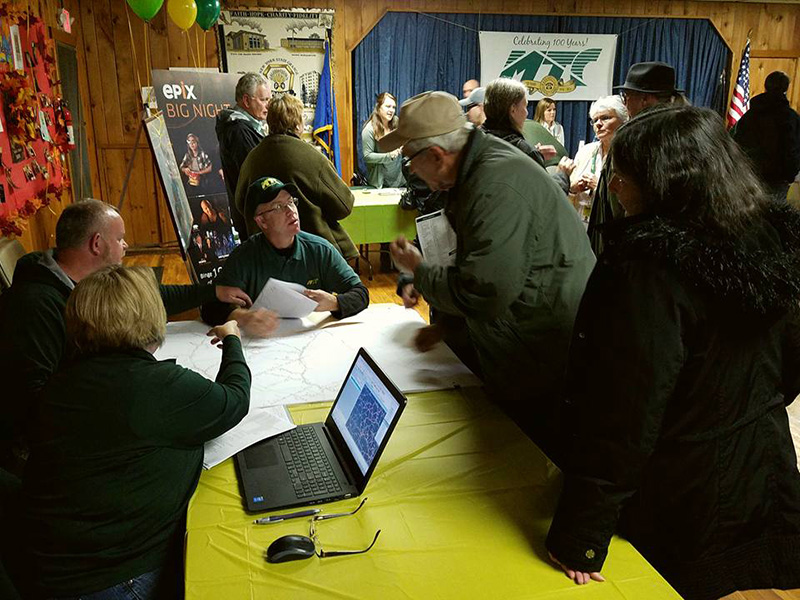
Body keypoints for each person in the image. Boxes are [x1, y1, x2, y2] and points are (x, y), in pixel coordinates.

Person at [546, 106, 800, 600]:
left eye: (625, 173)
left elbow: (624, 409)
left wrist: (582, 533)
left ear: (668, 180)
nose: (612, 183)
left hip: (684, 483)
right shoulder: (769, 238)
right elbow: (791, 363)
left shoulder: (649, 268)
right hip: (760, 463)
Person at [384, 91, 595, 461]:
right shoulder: (476, 170)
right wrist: (447, 328)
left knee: (531, 463)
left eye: (409, 162)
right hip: (525, 338)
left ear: (436, 155)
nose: (410, 171)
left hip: (542, 351)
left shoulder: (494, 182)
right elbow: (480, 264)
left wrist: (420, 270)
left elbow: (486, 291)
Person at [22, 265, 251, 598]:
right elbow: (235, 400)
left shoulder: (64, 380)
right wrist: (232, 340)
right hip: (114, 578)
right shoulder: (155, 386)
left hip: (53, 564)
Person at [0, 199, 251, 476]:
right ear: (96, 244)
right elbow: (32, 405)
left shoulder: (81, 281)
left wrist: (212, 291)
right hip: (53, 457)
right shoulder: (34, 305)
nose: (126, 245)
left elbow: (147, 299)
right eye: (119, 238)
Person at [204, 177, 369, 328]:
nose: (291, 211)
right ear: (261, 221)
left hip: (309, 341)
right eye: (278, 207)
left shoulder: (319, 250)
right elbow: (209, 306)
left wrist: (335, 302)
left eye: (291, 202)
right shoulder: (244, 257)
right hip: (259, 346)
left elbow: (361, 294)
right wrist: (241, 316)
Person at [235, 94, 357, 260]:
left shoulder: (252, 159)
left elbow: (241, 204)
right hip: (317, 253)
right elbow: (344, 205)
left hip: (267, 252)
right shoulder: (312, 157)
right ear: (298, 123)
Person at [587, 61, 689, 255]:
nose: (625, 103)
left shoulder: (635, 138)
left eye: (627, 97)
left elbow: (618, 203)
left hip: (634, 246)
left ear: (645, 100)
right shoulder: (687, 133)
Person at [482, 78, 570, 194]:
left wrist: (534, 155)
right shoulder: (523, 150)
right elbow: (546, 198)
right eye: (525, 107)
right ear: (513, 110)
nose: (527, 113)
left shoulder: (474, 141)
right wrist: (562, 174)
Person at [216, 72, 272, 242]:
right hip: (253, 216)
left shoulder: (248, 126)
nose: (268, 106)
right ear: (246, 101)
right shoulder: (239, 131)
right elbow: (254, 176)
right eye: (263, 100)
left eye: (269, 99)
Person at [733, 70, 800, 201]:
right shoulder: (790, 118)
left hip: (750, 175)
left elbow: (737, 142)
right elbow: (793, 149)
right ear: (785, 88)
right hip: (777, 179)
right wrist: (791, 173)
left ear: (766, 86)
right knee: (773, 215)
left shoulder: (749, 116)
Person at [568, 95, 628, 222]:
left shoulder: (628, 155)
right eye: (595, 120)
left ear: (623, 120)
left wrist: (599, 187)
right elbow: (569, 198)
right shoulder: (585, 152)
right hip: (581, 226)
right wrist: (572, 189)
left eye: (605, 118)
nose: (598, 124)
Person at [361, 92, 405, 188]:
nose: (391, 110)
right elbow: (367, 156)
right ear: (378, 107)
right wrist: (388, 156)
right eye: (388, 106)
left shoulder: (396, 122)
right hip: (380, 182)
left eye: (393, 107)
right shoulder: (369, 129)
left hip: (399, 179)